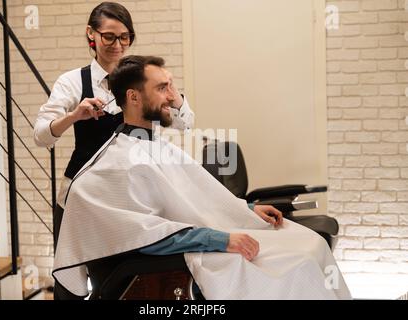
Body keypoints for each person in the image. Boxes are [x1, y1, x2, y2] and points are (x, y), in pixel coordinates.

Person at [53, 55, 351, 299]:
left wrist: (245, 210)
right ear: (133, 97)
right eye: (162, 88)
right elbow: (142, 234)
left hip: (192, 242)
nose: (173, 97)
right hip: (166, 260)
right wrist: (221, 239)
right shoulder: (114, 166)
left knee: (309, 244)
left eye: (171, 86)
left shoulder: (152, 144)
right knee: (296, 262)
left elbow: (187, 199)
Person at [34, 2, 194, 299]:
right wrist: (74, 116)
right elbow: (41, 137)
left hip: (132, 199)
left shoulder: (142, 79)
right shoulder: (72, 82)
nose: (117, 45)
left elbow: (186, 123)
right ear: (91, 35)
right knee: (73, 285)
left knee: (130, 284)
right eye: (109, 36)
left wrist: (170, 91)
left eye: (125, 37)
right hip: (82, 199)